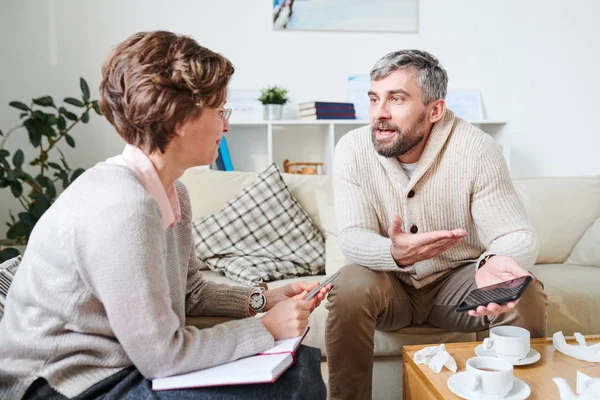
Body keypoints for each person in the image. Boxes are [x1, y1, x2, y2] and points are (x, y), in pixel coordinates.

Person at [0, 31, 329, 400]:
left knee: (299, 368)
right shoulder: (122, 206)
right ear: (179, 120)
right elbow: (163, 356)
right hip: (63, 384)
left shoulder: (174, 194)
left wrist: (263, 299)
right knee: (294, 385)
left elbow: (190, 292)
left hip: (123, 367)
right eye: (220, 111)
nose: (227, 126)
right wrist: (266, 328)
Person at [325, 49, 548, 399]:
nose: (379, 113)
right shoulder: (352, 149)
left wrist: (493, 263)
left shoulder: (476, 149)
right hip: (389, 286)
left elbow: (516, 233)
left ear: (434, 110)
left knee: (524, 290)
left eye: (396, 99)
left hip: (456, 286)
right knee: (349, 283)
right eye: (374, 99)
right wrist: (393, 253)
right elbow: (353, 238)